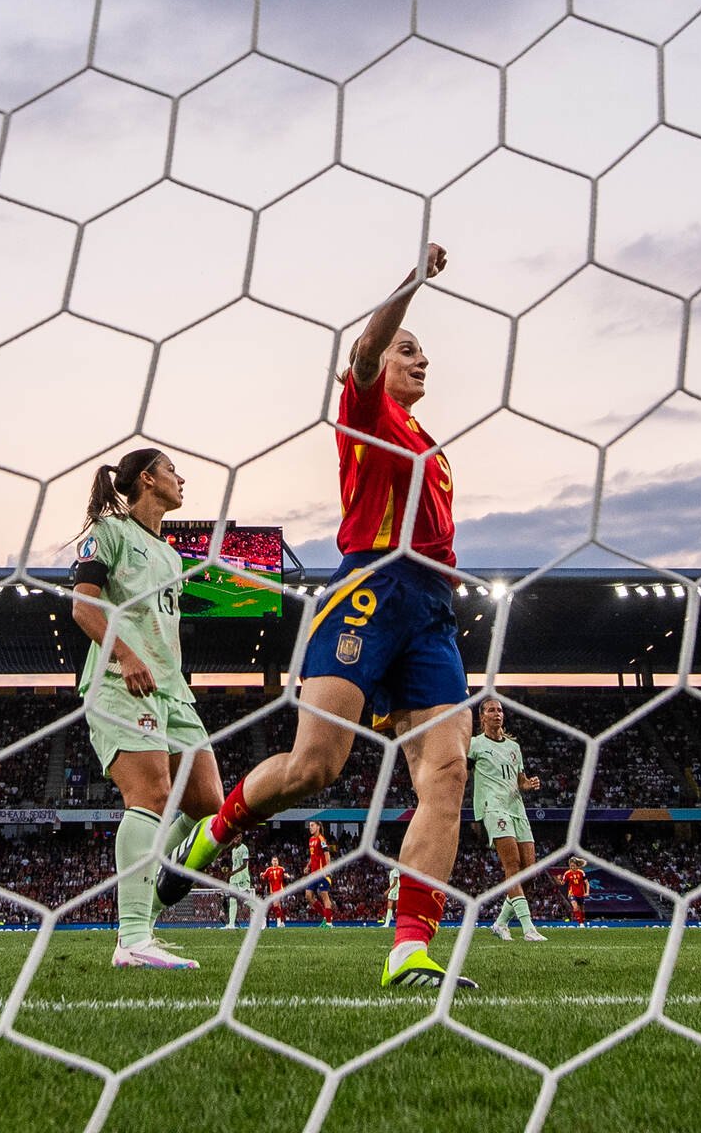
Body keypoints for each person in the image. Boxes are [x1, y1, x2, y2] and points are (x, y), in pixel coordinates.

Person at [158, 243, 478, 989]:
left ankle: (410, 948)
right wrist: (410, 282)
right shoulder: (364, 411)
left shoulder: (430, 443)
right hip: (368, 590)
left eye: (424, 352)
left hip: (432, 606)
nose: (421, 358)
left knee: (449, 771)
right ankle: (216, 829)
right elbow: (366, 348)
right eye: (409, 350)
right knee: (315, 768)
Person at [69, 447, 221, 971]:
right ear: (149, 480)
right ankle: (132, 938)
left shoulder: (173, 555)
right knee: (152, 793)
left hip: (171, 690)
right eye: (174, 470)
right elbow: (84, 604)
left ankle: (148, 903)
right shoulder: (109, 532)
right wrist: (127, 654)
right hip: (120, 680)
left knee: (207, 802)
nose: (182, 479)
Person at [468, 700, 545, 941]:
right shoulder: (474, 745)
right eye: (491, 710)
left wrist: (528, 784)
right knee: (512, 866)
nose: (497, 714)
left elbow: (519, 780)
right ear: (482, 717)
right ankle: (528, 928)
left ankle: (500, 923)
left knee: (529, 871)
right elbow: (463, 773)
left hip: (517, 809)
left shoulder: (514, 747)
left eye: (500, 710)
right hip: (493, 808)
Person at [304, 821, 335, 926]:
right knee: (308, 895)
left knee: (324, 896)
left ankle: (329, 923)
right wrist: (308, 866)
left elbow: (327, 855)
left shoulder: (322, 839)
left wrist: (327, 869)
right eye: (309, 826)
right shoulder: (311, 840)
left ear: (318, 827)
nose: (310, 828)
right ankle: (326, 917)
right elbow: (313, 856)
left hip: (321, 873)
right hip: (313, 873)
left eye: (312, 825)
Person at [223, 841, 251, 929]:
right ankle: (231, 924)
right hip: (234, 879)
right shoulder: (233, 850)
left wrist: (233, 872)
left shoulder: (244, 848)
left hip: (242, 877)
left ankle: (261, 917)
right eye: (236, 836)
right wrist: (231, 875)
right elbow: (235, 865)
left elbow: (244, 865)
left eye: (239, 836)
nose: (238, 839)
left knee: (246, 901)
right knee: (232, 900)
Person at [561, 858, 589, 927]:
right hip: (572, 893)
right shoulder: (567, 873)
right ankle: (580, 923)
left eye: (573, 866)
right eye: (571, 866)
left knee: (582, 909)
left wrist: (587, 892)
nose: (572, 867)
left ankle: (582, 921)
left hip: (581, 893)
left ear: (577, 865)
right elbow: (562, 883)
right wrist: (559, 880)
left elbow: (587, 883)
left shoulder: (581, 872)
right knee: (575, 907)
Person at [263, 856, 288, 927]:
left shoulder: (281, 869)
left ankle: (279, 922)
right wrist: (261, 875)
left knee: (275, 904)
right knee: (278, 906)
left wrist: (287, 876)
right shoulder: (268, 870)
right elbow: (263, 876)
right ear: (271, 862)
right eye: (273, 861)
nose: (275, 862)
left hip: (280, 890)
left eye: (276, 861)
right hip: (272, 891)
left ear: (278, 861)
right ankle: (282, 922)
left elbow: (285, 874)